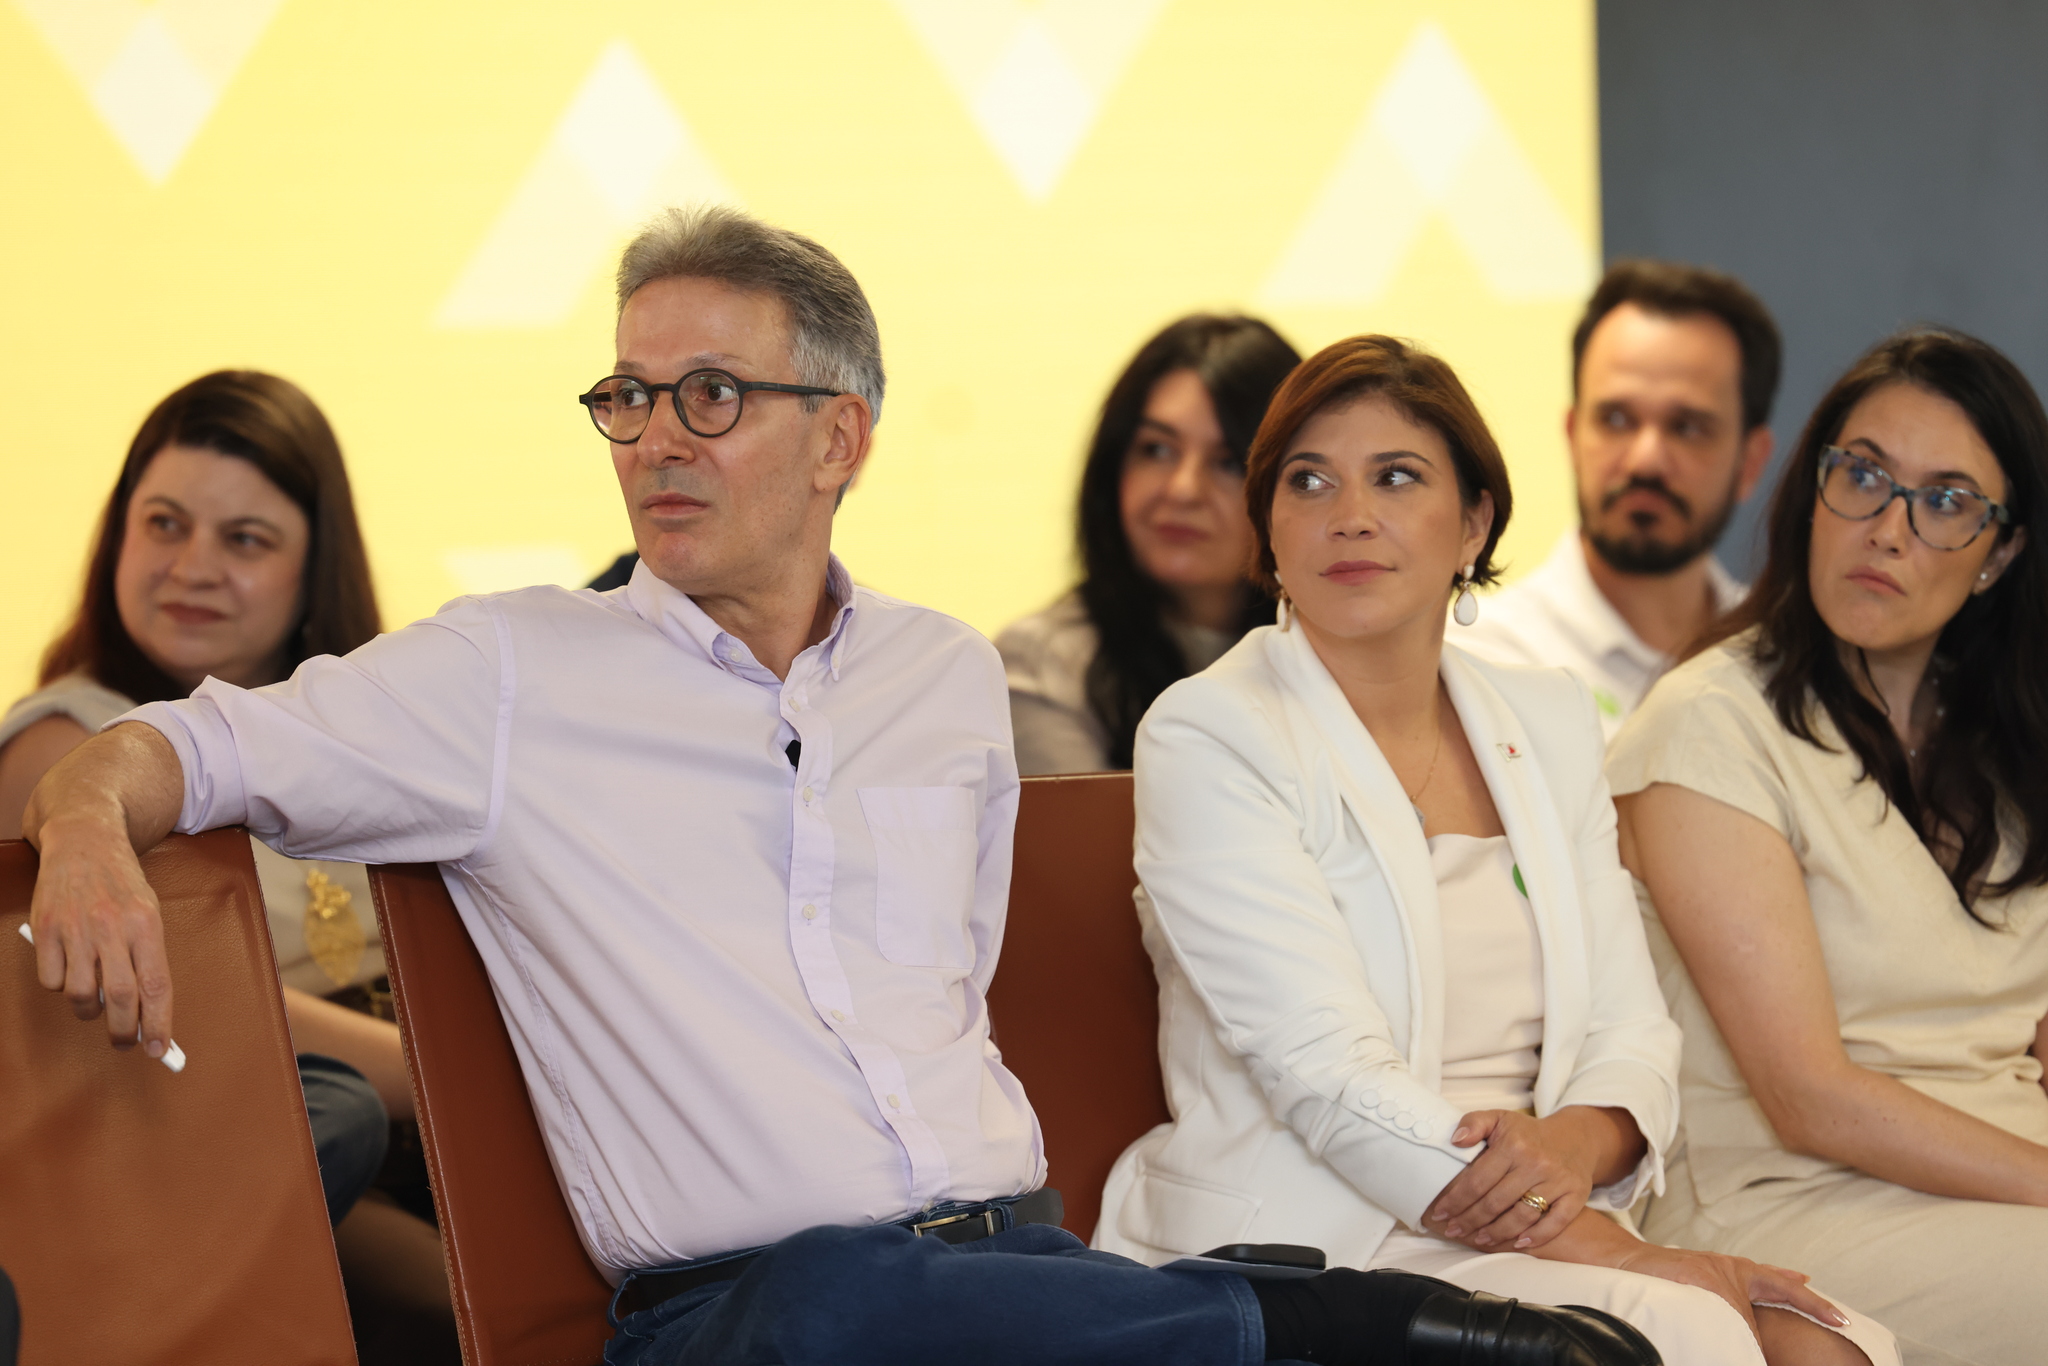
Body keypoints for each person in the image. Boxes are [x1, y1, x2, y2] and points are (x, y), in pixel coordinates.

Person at [22, 205, 1661, 1366]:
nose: (655, 438)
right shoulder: (509, 674)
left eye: (711, 397)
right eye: (627, 398)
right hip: (744, 1314)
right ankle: (1318, 1326)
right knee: (839, 1299)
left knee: (938, 1294)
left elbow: (951, 982)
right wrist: (90, 818)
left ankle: (1207, 1315)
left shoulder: (941, 677)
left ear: (841, 439)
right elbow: (196, 745)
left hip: (1016, 1253)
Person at [1097, 333, 1896, 1366]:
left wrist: (1572, 1145)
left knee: (1834, 1341)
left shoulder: (1547, 716)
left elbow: (1628, 1026)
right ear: (1269, 528)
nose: (1350, 514)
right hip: (1324, 1234)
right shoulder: (1208, 732)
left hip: (1532, 1213)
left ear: (1472, 522)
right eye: (1308, 480)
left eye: (1396, 476)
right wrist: (1607, 1247)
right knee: (1689, 1329)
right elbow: (1325, 1077)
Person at [1610, 328, 2048, 1365]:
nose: (1888, 529)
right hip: (1786, 1203)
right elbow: (1809, 1099)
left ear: (1998, 554)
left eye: (1946, 501)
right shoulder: (1710, 721)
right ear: (1812, 492)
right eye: (1862, 476)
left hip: (1999, 1192)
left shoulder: (2003, 744)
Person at [0, 370, 456, 1363]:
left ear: (313, 569)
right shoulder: (68, 748)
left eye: (244, 540)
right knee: (461, 1318)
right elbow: (193, 1005)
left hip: (435, 1121)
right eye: (164, 524)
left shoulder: (361, 733)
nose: (192, 566)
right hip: (246, 1129)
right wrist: (446, 1074)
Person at [1457, 261, 1779, 737]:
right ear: (1573, 437)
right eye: (1616, 420)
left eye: (1687, 427)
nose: (1645, 461)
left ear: (1749, 461)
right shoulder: (1480, 664)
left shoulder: (1788, 664)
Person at [997, 315, 1299, 773]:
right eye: (1157, 449)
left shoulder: (1335, 656)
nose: (1183, 489)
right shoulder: (1045, 666)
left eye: (1229, 462)